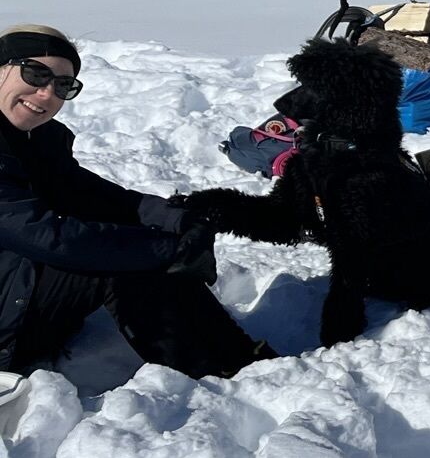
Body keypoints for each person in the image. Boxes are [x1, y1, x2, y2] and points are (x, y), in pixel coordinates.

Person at [0, 25, 268, 427]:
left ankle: (239, 362)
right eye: (36, 74)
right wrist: (166, 250)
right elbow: (44, 234)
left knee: (134, 245)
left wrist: (179, 221)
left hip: (13, 295)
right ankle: (224, 378)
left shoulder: (34, 141)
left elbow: (97, 196)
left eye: (63, 85)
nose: (46, 94)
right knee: (124, 259)